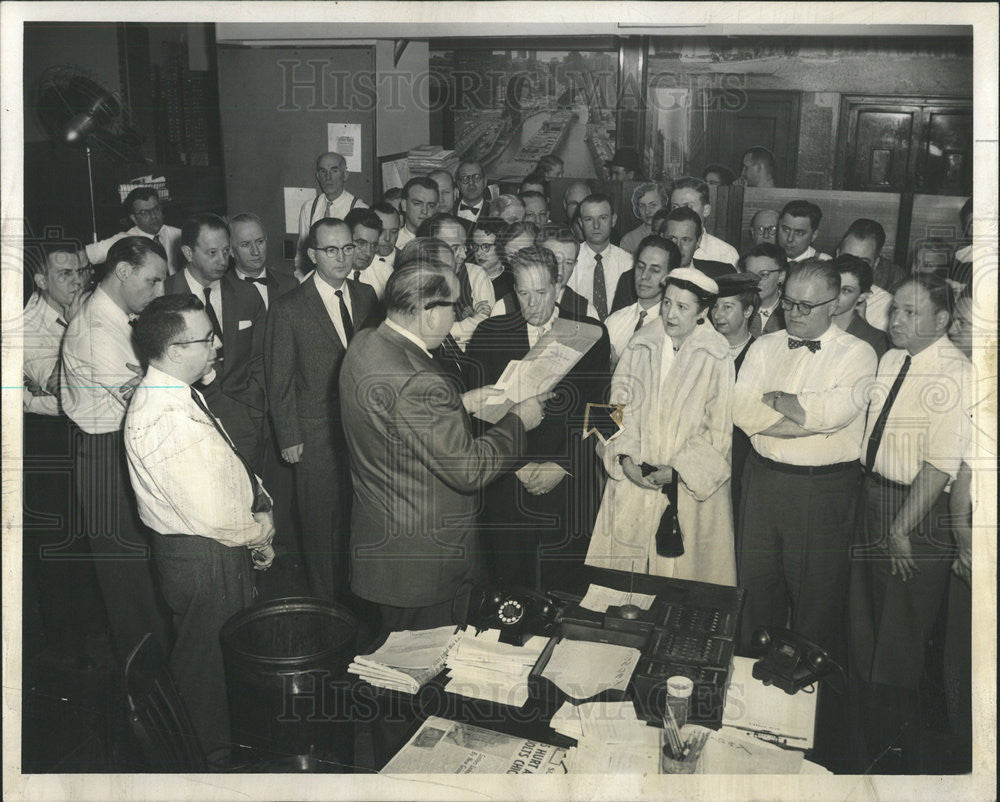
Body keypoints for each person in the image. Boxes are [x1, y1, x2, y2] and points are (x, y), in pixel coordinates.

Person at [339, 262, 549, 630]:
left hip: (384, 548)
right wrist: (519, 420)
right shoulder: (420, 380)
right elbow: (469, 470)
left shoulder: (365, 343)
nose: (459, 313)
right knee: (426, 670)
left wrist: (459, 403)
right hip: (425, 562)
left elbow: (393, 419)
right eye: (453, 305)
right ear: (426, 311)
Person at [125, 293, 275, 759]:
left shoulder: (178, 394)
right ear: (174, 352)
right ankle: (207, 769)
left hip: (216, 548)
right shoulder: (164, 417)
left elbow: (225, 466)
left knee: (218, 664)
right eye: (206, 339)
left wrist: (257, 506)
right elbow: (210, 513)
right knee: (205, 673)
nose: (217, 346)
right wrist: (259, 532)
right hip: (203, 555)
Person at [849, 275, 970, 770]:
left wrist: (901, 528)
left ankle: (891, 746)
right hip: (873, 493)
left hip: (916, 514)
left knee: (899, 632)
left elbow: (941, 463)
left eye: (910, 313)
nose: (895, 320)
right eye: (894, 309)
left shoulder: (955, 374)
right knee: (864, 618)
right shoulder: (891, 358)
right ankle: (857, 730)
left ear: (942, 321)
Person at [734, 260, 877, 662]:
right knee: (755, 591)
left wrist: (775, 402)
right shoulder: (763, 346)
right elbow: (740, 410)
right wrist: (805, 419)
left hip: (822, 488)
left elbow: (832, 414)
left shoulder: (859, 354)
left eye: (806, 307)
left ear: (834, 305)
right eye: (788, 303)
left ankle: (804, 700)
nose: (794, 314)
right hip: (761, 481)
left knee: (815, 599)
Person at [465, 246, 611, 594]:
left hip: (568, 483)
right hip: (506, 482)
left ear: (559, 287)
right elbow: (475, 417)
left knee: (564, 591)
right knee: (509, 591)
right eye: (522, 293)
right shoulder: (489, 334)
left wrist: (563, 465)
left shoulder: (591, 333)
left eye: (541, 293)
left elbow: (606, 411)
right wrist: (515, 466)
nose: (531, 305)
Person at [60, 236, 172, 662]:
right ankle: (146, 691)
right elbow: (145, 397)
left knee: (142, 569)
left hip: (121, 447)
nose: (159, 292)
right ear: (123, 272)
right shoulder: (96, 329)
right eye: (152, 281)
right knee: (127, 580)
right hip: (104, 456)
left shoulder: (116, 314)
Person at [587, 268, 736, 586]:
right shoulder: (640, 344)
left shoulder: (717, 356)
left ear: (702, 312)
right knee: (622, 589)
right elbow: (610, 409)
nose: (670, 313)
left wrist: (679, 471)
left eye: (683, 307)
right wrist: (623, 459)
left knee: (680, 586)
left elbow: (719, 431)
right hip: (632, 482)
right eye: (667, 303)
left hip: (686, 492)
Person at [265, 218, 379, 602]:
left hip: (362, 432)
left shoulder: (366, 297)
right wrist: (289, 436)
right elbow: (279, 379)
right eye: (332, 250)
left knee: (358, 520)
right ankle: (324, 606)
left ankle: (357, 597)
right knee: (319, 525)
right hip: (314, 435)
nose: (343, 257)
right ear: (312, 254)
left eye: (349, 247)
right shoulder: (289, 308)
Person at [22, 243, 102, 667]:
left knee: (88, 536)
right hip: (48, 446)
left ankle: (90, 632)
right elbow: (62, 385)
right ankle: (64, 651)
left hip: (81, 436)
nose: (77, 282)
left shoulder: (84, 310)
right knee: (57, 546)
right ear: (41, 281)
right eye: (66, 274)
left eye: (81, 272)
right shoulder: (27, 326)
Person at [165, 214, 268, 470]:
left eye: (225, 251)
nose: (222, 261)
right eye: (212, 253)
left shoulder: (247, 295)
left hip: (244, 422)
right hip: (188, 425)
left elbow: (262, 357)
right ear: (188, 253)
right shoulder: (163, 296)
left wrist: (253, 405)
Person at [710, 272, 761, 558]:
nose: (718, 314)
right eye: (715, 306)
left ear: (749, 310)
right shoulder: (703, 350)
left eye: (727, 307)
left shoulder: (760, 352)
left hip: (741, 461)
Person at [603, 236, 679, 369]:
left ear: (670, 276)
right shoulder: (614, 321)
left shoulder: (674, 327)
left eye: (654, 270)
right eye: (640, 267)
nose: (644, 276)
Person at [561, 193, 633, 320]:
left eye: (603, 218)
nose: (596, 225)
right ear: (580, 223)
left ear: (613, 220)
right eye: (588, 219)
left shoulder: (629, 263)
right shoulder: (568, 262)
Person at [295, 151, 367, 273]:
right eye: (323, 171)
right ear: (317, 176)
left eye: (334, 171)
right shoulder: (309, 207)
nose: (328, 177)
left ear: (345, 175)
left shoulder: (360, 209)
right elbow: (301, 252)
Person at [82, 187, 182, 274]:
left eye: (156, 209)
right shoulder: (125, 240)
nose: (154, 216)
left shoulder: (178, 234)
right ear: (134, 218)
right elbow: (86, 255)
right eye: (144, 212)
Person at [835, 218, 903, 332]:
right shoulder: (814, 287)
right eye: (847, 258)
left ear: (875, 264)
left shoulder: (887, 306)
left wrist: (862, 325)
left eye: (864, 262)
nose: (853, 267)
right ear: (837, 254)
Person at [827, 253, 891, 359]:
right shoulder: (810, 324)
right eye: (834, 286)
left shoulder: (875, 339)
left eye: (846, 290)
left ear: (862, 296)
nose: (836, 296)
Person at [229, 212, 298, 310]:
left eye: (260, 241)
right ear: (231, 250)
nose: (256, 251)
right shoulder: (220, 289)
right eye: (245, 244)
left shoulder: (290, 285)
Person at [670, 176, 739, 267]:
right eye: (675, 207)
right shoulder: (660, 249)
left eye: (688, 207)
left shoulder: (725, 254)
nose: (680, 212)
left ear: (706, 210)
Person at [656, 206, 736, 280]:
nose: (678, 247)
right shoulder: (650, 277)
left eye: (685, 240)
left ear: (698, 242)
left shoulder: (721, 275)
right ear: (662, 238)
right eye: (672, 239)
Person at [539, 226, 597, 320]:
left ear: (575, 265)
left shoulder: (586, 311)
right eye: (554, 260)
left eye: (568, 263)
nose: (560, 270)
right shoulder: (509, 304)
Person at [345, 207, 392, 301]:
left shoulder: (386, 273)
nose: (368, 253)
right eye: (361, 243)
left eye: (373, 245)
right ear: (345, 239)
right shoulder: (329, 275)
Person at [742, 243, 788, 337]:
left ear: (781, 276)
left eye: (763, 275)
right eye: (750, 275)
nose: (756, 281)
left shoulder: (788, 311)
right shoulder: (739, 307)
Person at [620, 182, 668, 255]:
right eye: (642, 206)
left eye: (653, 205)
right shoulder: (629, 240)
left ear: (663, 204)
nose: (647, 211)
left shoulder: (674, 234)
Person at [777, 200, 831, 265]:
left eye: (799, 233)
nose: (790, 239)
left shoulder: (824, 263)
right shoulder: (766, 259)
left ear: (814, 235)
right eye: (786, 230)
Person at [396, 176, 439, 249]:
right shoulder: (394, 243)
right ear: (404, 205)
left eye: (431, 205)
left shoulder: (444, 242)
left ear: (437, 208)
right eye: (417, 204)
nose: (425, 211)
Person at [455, 160, 492, 226]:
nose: (471, 183)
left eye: (476, 177)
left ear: (485, 182)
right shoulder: (450, 209)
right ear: (458, 184)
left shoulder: (494, 212)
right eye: (465, 178)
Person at [371, 200, 402, 271]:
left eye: (393, 232)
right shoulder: (358, 260)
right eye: (381, 231)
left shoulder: (407, 261)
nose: (387, 238)